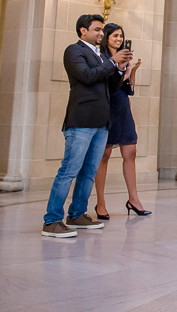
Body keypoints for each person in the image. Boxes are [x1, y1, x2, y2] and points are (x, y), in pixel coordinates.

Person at [42, 14, 132, 238]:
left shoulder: (100, 55)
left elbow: (109, 85)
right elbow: (87, 76)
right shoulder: (74, 51)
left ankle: (77, 214)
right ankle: (52, 220)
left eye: (102, 30)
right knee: (69, 171)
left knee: (89, 171)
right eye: (97, 30)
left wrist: (120, 69)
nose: (101, 34)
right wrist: (112, 62)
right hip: (81, 120)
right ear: (83, 31)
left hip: (102, 122)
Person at [93, 23, 150, 220]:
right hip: (106, 107)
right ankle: (100, 202)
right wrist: (117, 67)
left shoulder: (122, 59)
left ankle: (133, 199)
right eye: (115, 36)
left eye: (121, 36)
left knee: (130, 151)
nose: (119, 39)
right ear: (107, 37)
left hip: (122, 106)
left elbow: (128, 90)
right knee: (104, 155)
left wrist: (131, 72)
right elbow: (105, 85)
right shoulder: (102, 58)